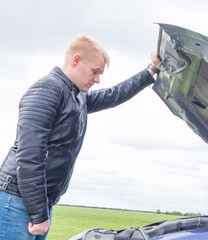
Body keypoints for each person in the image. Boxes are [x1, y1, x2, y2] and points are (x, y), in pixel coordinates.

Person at [0, 35, 161, 239]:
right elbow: (30, 156)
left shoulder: (77, 96)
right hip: (18, 200)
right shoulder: (47, 90)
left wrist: (151, 70)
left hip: (39, 201)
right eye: (95, 72)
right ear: (76, 60)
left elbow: (114, 94)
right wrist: (39, 213)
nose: (97, 80)